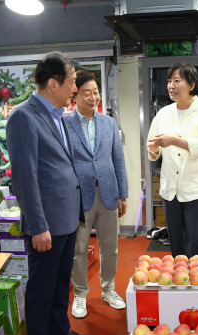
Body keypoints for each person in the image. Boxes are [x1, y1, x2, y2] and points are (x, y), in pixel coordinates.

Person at [6, 51, 96, 335]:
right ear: (54, 83)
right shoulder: (24, 117)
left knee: (61, 283)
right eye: (72, 82)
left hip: (66, 216)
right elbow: (25, 177)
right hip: (46, 223)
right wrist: (38, 226)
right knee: (42, 288)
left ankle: (59, 331)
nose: (75, 88)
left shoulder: (57, 114)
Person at [66, 70, 128, 318]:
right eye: (86, 93)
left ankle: (108, 288)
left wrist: (123, 193)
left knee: (110, 246)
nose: (93, 97)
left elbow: (118, 160)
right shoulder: (65, 124)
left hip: (109, 192)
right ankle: (80, 294)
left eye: (95, 92)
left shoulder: (109, 123)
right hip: (80, 195)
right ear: (75, 95)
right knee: (79, 248)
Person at [146, 63, 198, 258]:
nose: (171, 86)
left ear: (191, 85)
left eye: (177, 81)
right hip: (170, 188)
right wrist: (153, 151)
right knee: (175, 240)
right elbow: (153, 148)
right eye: (169, 82)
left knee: (195, 241)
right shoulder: (163, 114)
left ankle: (195, 282)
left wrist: (173, 141)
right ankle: (179, 280)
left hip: (195, 186)